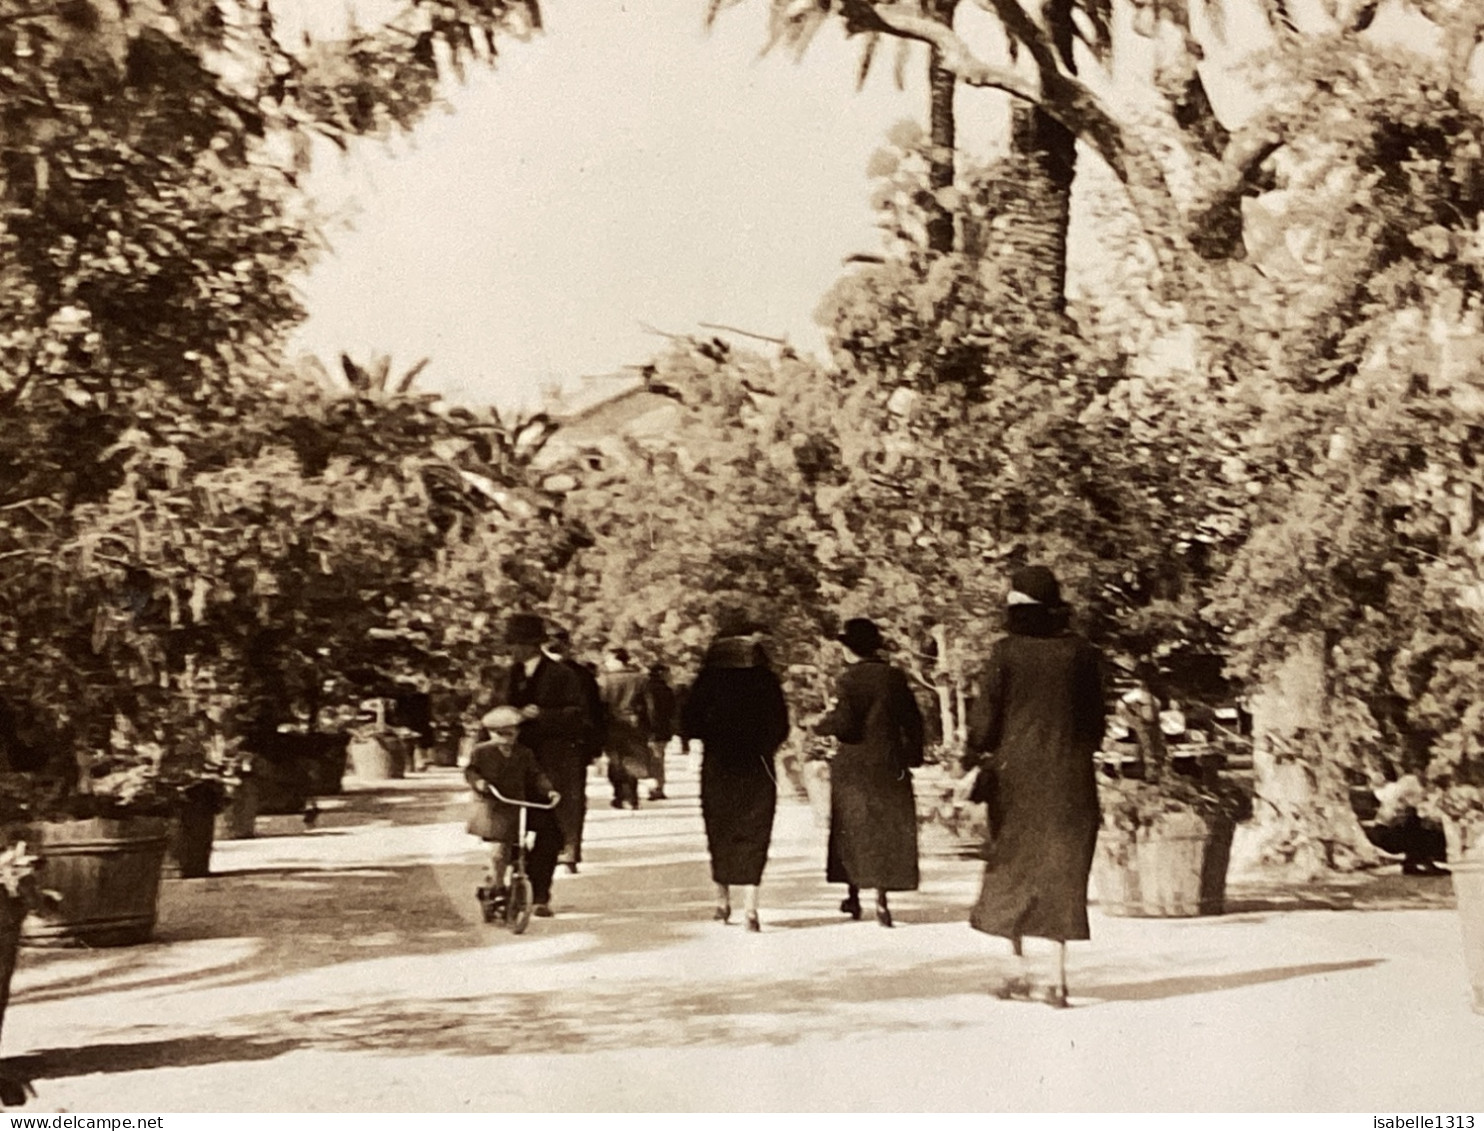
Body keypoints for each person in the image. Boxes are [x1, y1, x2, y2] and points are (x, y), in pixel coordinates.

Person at [965, 565, 1106, 1008]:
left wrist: (975, 756)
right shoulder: (1083, 653)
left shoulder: (1006, 652)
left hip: (1016, 779)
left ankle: (1018, 971)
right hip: (1070, 777)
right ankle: (1058, 980)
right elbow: (1095, 723)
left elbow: (985, 721)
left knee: (1014, 868)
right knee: (1063, 872)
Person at [680, 618, 790, 932]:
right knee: (755, 832)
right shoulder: (766, 680)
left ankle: (722, 900)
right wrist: (764, 745)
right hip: (758, 765)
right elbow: (781, 726)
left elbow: (689, 724)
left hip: (719, 766)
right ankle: (751, 906)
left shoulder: (708, 680)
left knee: (720, 830)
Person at [814, 618, 925, 927]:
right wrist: (912, 758)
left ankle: (853, 895)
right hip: (890, 764)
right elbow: (913, 722)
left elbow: (847, 726)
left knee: (852, 831)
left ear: (850, 649)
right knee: (886, 830)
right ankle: (882, 899)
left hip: (854, 766)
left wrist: (823, 724)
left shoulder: (848, 680)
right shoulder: (894, 677)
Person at [496, 612, 590, 917]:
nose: (513, 651)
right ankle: (510, 882)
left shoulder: (562, 675)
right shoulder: (508, 676)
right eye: (511, 645)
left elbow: (579, 716)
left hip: (552, 764)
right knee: (506, 826)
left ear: (533, 645)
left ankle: (540, 893)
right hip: (512, 763)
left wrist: (543, 716)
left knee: (550, 828)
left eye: (518, 644)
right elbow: (490, 711)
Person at [464, 706, 557, 903]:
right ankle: (496, 886)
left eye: (512, 733)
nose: (507, 738)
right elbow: (471, 771)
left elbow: (536, 775)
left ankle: (518, 884)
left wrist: (549, 790)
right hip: (492, 807)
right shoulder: (482, 752)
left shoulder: (523, 753)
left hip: (515, 805)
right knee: (499, 850)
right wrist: (479, 783)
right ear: (491, 733)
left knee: (519, 848)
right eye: (501, 734)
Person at [546, 626, 605, 872]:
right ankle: (568, 852)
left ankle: (560, 851)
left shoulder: (529, 673)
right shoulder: (581, 674)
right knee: (571, 801)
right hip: (572, 748)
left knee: (546, 800)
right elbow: (596, 715)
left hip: (549, 747)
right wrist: (594, 749)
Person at [597, 647, 653, 810]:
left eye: (608, 659)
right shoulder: (641, 679)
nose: (606, 663)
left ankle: (620, 795)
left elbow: (600, 705)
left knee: (615, 761)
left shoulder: (605, 680)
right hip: (635, 724)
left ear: (617, 660)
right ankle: (632, 797)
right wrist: (650, 727)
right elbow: (650, 706)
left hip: (612, 724)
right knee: (632, 761)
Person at [645, 662, 678, 801]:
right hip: (660, 729)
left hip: (651, 729)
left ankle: (656, 786)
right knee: (658, 758)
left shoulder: (647, 688)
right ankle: (658, 787)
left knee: (654, 759)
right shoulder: (664, 689)